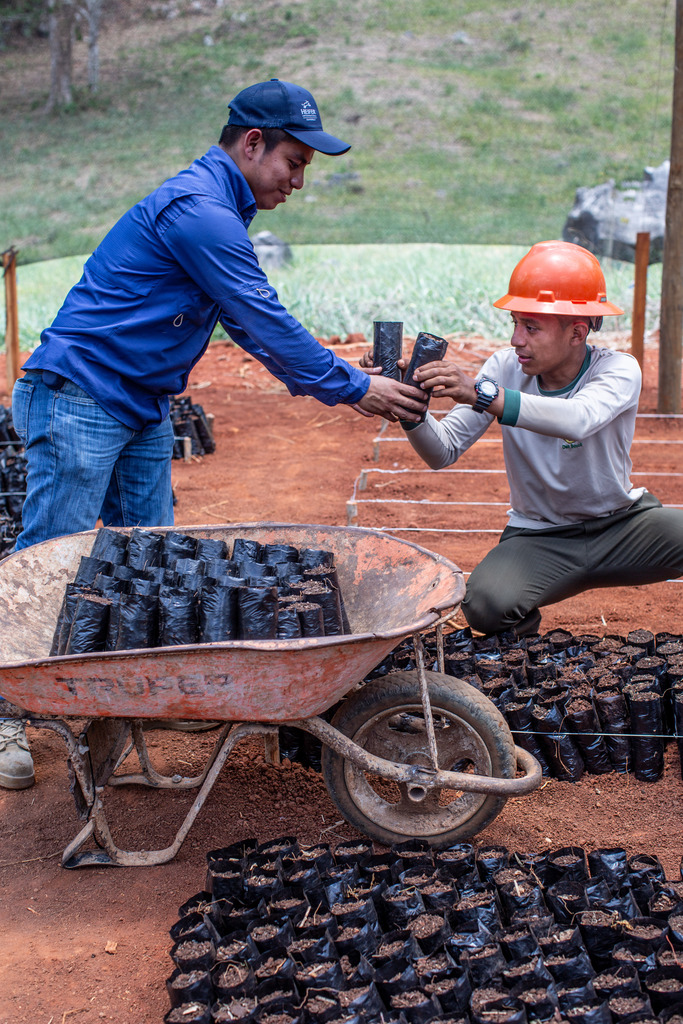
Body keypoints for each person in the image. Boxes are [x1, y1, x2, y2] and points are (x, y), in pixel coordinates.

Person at [0, 78, 427, 790]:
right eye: (293, 161)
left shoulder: (218, 209)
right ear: (252, 143)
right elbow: (258, 317)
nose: (298, 180)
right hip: (80, 394)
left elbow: (250, 323)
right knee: (50, 556)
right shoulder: (200, 211)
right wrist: (353, 387)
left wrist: (336, 373)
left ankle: (140, 693)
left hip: (139, 401)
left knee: (150, 553)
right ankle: (6, 713)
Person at [365, 239, 683, 637]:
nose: (517, 339)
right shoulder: (504, 368)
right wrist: (411, 409)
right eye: (515, 323)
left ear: (577, 332)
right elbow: (442, 450)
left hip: (623, 528)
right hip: (539, 536)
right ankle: (529, 654)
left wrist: (483, 393)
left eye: (531, 327)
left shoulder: (619, 370)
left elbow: (578, 419)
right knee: (484, 604)